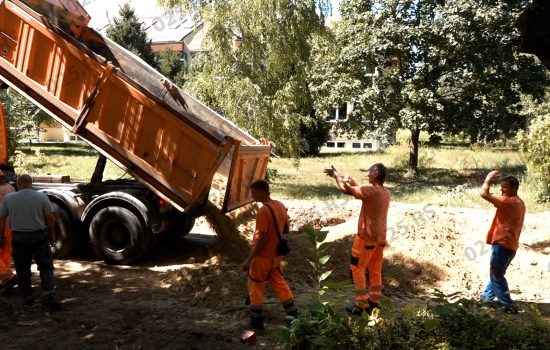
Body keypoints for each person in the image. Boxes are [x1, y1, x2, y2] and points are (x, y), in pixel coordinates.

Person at [324, 163, 390, 316]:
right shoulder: (384, 192)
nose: (367, 174)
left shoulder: (371, 192)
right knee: (375, 270)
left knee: (357, 268)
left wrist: (336, 176)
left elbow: (345, 190)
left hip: (366, 239)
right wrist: (351, 180)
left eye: (369, 172)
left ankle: (361, 305)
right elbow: (363, 191)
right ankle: (374, 303)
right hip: (379, 239)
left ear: (376, 172)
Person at [242, 179, 298, 330]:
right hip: (275, 256)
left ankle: (256, 321)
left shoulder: (263, 211)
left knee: (255, 285)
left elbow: (262, 238)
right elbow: (286, 228)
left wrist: (249, 259)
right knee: (279, 283)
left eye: (254, 193)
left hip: (262, 256)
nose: (252, 196)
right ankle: (293, 315)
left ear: (262, 192)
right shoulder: (279, 205)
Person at [0, 174, 60, 312]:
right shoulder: (41, 197)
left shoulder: (10, 198)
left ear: (19, 183)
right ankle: (48, 297)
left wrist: (1, 235)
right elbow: (50, 216)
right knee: (45, 267)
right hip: (38, 236)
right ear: (31, 183)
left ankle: (27, 298)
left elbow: (2, 218)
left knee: (22, 268)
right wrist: (52, 232)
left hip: (19, 237)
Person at [479, 171, 525, 314]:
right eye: (501, 186)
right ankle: (486, 298)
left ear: (514, 188)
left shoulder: (508, 202)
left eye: (504, 187)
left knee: (497, 275)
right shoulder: (519, 202)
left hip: (502, 244)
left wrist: (488, 178)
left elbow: (484, 194)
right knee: (496, 272)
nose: (501, 189)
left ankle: (507, 304)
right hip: (510, 245)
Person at [0, 169, 16, 294]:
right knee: (5, 255)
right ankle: (5, 280)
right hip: (9, 226)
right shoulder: (10, 187)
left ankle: (7, 277)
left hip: (1, 227)